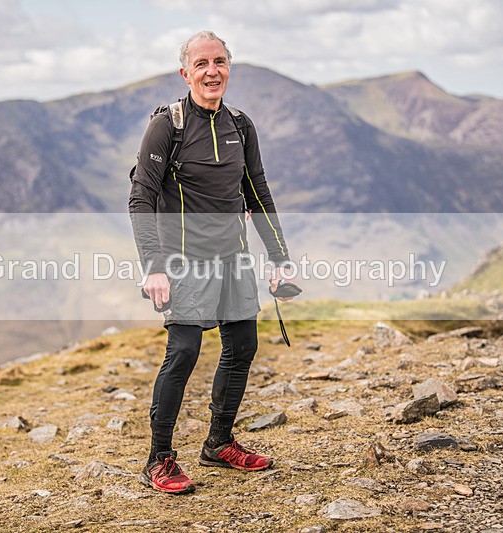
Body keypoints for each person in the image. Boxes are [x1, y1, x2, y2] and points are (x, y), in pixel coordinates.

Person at [128, 31, 296, 494]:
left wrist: (279, 258)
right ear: (185, 73)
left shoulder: (241, 125)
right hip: (182, 260)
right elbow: (141, 196)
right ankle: (158, 459)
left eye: (219, 61)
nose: (211, 71)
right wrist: (153, 264)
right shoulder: (169, 126)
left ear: (229, 68)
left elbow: (258, 192)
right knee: (182, 352)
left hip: (233, 258)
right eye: (201, 63)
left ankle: (219, 442)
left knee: (242, 346)